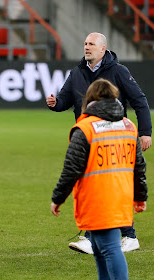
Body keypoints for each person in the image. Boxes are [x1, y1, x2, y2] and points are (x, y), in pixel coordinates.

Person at [46, 32, 151, 254]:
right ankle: (120, 235)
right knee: (95, 186)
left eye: (91, 44)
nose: (87, 47)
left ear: (103, 49)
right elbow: (65, 99)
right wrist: (55, 103)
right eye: (85, 43)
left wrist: (145, 132)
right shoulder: (77, 72)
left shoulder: (118, 71)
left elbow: (139, 101)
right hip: (88, 137)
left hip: (112, 137)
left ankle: (97, 236)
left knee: (101, 186)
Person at [50, 78, 148, 280]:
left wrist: (58, 198)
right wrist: (140, 197)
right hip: (121, 197)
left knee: (110, 248)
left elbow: (71, 168)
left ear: (90, 99)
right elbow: (139, 166)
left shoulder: (86, 128)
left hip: (98, 199)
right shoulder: (129, 126)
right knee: (98, 247)